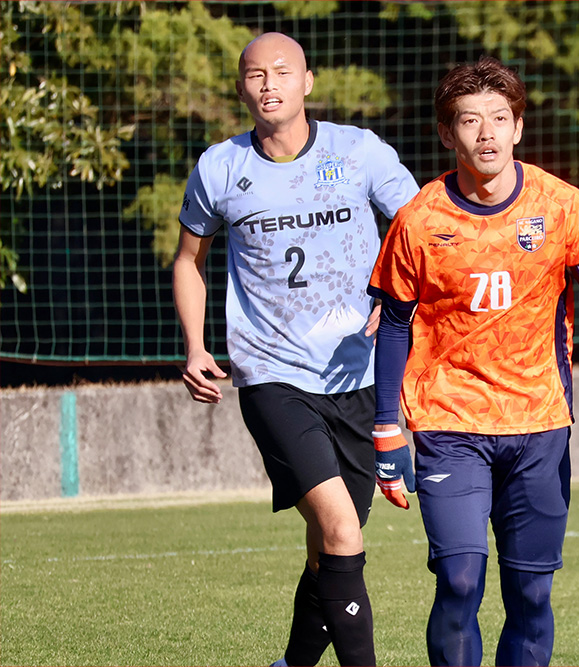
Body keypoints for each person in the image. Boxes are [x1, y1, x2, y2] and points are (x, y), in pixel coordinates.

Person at [366, 56, 579, 667]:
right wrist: (387, 429)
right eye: (469, 121)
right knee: (459, 582)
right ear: (447, 134)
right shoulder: (418, 221)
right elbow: (394, 324)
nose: (485, 133)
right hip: (449, 424)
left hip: (539, 425)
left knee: (531, 594)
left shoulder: (563, 207)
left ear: (518, 127)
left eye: (498, 118)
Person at [172, 32, 418, 667]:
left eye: (282, 72)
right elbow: (188, 261)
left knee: (329, 548)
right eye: (254, 74)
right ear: (241, 87)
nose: (268, 84)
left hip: (360, 374)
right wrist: (196, 346)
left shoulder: (358, 151)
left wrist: (399, 303)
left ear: (308, 81)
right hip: (271, 373)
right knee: (341, 529)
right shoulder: (219, 168)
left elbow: (421, 231)